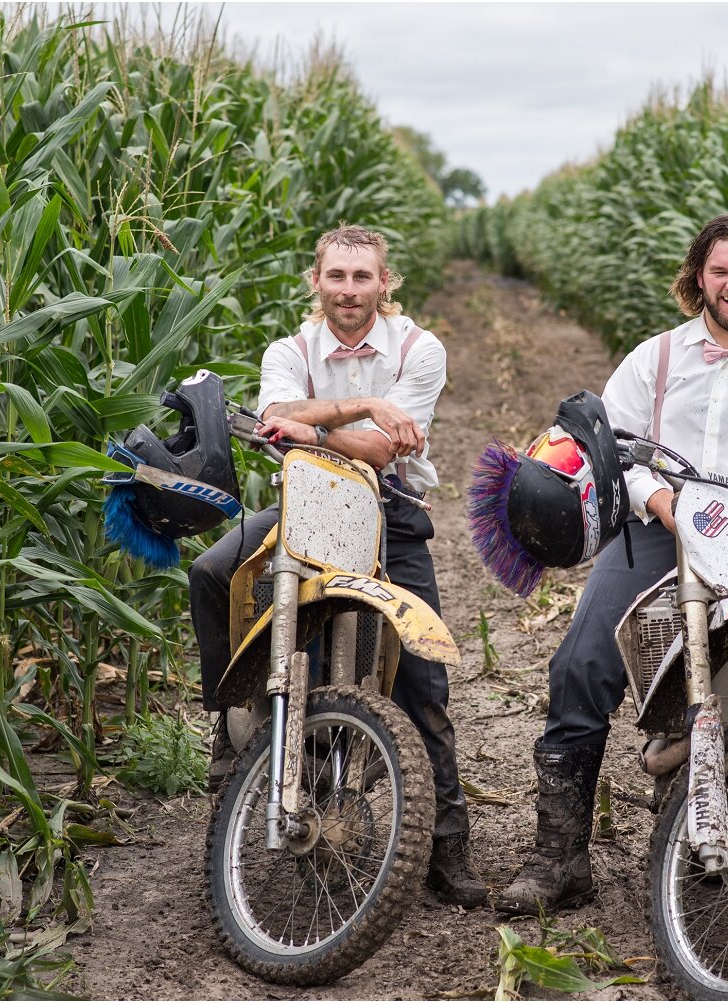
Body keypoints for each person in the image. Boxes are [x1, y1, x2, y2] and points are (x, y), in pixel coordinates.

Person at [493, 212, 728, 915]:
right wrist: (658, 499)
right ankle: (560, 856)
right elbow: (612, 451)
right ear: (698, 278)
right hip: (660, 525)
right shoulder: (654, 359)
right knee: (579, 664)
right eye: (721, 271)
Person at [188, 224, 486, 908]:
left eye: (362, 278)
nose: (349, 291)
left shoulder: (420, 348)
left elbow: (383, 451)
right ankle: (232, 732)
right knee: (212, 573)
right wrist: (362, 404)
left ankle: (447, 842)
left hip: (390, 512)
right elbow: (273, 415)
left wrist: (317, 427)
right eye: (336, 277)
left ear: (385, 284)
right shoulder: (289, 348)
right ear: (316, 283)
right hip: (305, 503)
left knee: (422, 678)